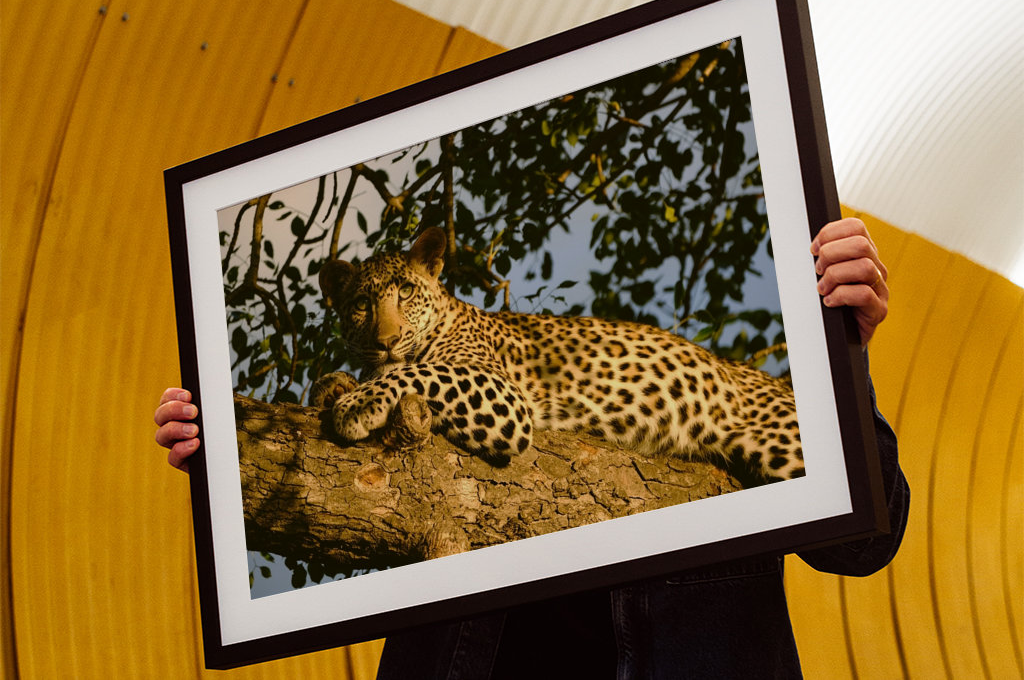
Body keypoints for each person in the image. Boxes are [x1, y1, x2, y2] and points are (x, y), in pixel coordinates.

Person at [155, 218, 909, 678]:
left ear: (435, 287)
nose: (383, 323)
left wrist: (842, 353)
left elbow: (504, 422)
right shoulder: (397, 387)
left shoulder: (467, 341)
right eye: (363, 306)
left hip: (727, 426)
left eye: (403, 298)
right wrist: (222, 449)